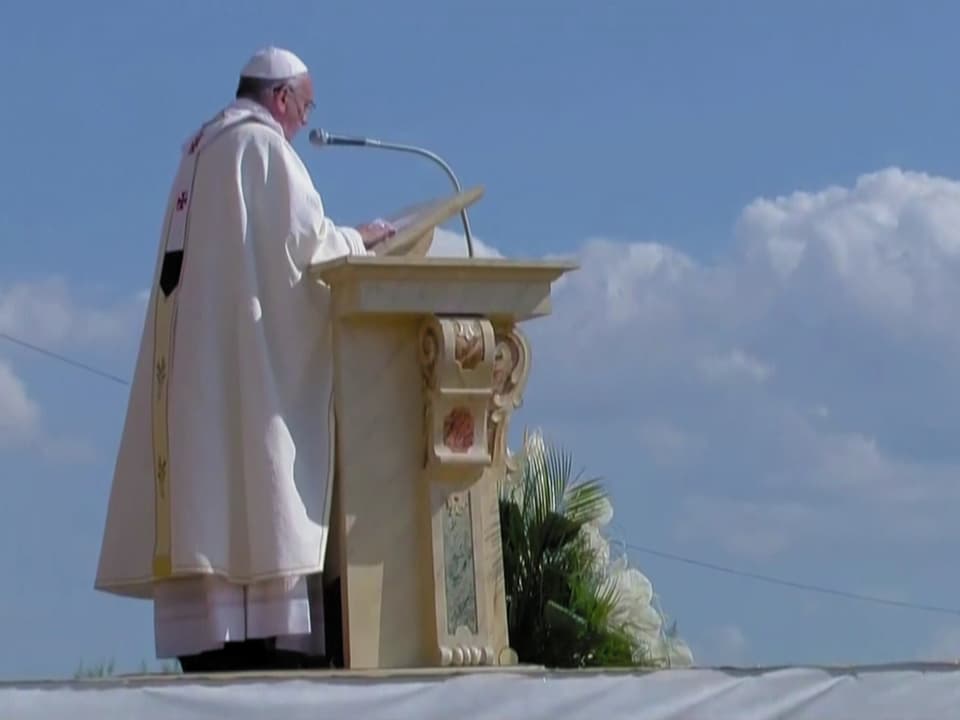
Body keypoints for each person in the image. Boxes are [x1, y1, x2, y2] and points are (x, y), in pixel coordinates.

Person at [93, 47, 393, 672]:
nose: (304, 124)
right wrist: (359, 240)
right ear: (280, 97)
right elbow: (308, 251)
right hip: (246, 373)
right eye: (305, 107)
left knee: (214, 498)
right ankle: (264, 631)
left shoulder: (196, 153)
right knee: (257, 486)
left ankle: (214, 627)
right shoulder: (261, 149)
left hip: (201, 376)